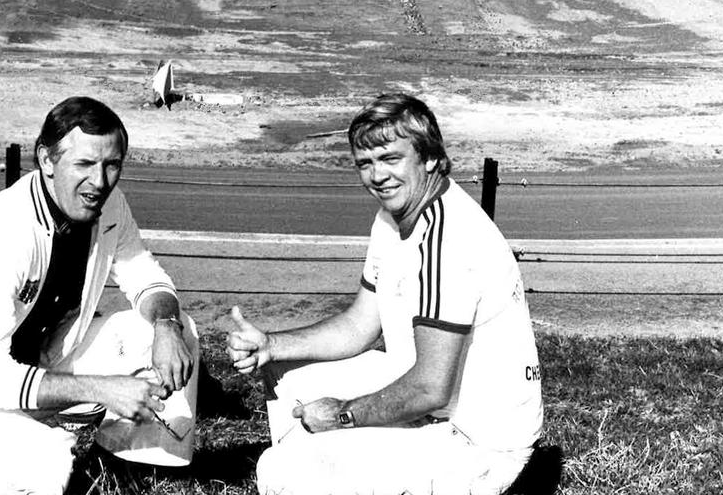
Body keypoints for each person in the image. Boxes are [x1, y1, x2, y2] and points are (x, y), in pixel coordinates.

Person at [226, 92, 543, 495]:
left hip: (477, 443)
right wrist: (270, 344)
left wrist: (340, 417)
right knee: (285, 369)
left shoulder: (448, 240)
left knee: (281, 469)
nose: (377, 176)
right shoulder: (394, 217)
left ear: (429, 158)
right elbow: (359, 325)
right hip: (437, 404)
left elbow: (430, 388)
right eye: (365, 163)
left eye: (390, 158)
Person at [0, 96, 199, 495]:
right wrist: (101, 388)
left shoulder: (109, 203)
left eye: (111, 165)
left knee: (175, 331)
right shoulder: (1, 231)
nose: (99, 181)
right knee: (50, 460)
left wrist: (167, 325)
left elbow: (144, 273)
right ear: (46, 160)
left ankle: (135, 466)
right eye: (83, 164)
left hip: (44, 360)